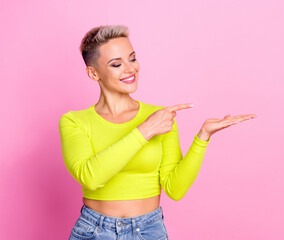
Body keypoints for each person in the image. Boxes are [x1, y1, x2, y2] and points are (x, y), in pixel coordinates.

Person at [59, 24, 256, 240]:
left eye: (132, 59)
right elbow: (91, 177)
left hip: (148, 230)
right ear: (93, 73)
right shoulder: (74, 121)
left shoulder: (160, 118)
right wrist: (145, 130)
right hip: (94, 230)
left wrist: (203, 137)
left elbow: (175, 189)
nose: (130, 69)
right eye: (117, 64)